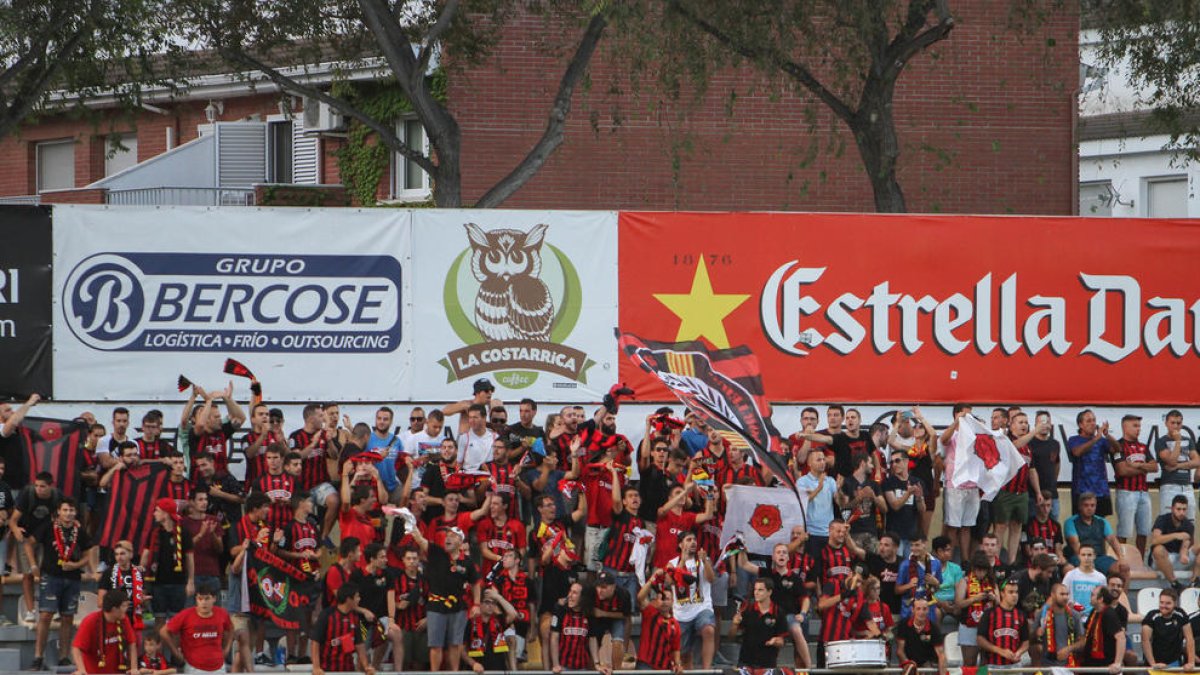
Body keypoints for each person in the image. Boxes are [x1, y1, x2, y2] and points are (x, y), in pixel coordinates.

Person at [30, 497, 95, 671]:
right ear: (58, 512)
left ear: (75, 513)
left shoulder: (79, 531)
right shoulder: (47, 527)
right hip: (50, 577)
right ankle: (38, 657)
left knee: (68, 617)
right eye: (65, 510)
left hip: (73, 578)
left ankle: (64, 657)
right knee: (45, 616)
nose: (68, 514)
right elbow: (29, 544)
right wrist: (33, 565)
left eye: (72, 510)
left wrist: (76, 565)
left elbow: (89, 553)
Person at [410, 521, 479, 671]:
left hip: (458, 607)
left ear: (460, 542)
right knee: (435, 645)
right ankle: (435, 673)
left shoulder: (467, 562)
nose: (448, 538)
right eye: (447, 535)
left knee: (455, 644)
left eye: (453, 536)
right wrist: (411, 524)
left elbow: (475, 583)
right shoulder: (437, 553)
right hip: (436, 606)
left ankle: (454, 673)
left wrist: (477, 604)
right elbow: (420, 540)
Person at [11, 471, 62, 624]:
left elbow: (60, 515)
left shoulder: (56, 496)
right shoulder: (28, 494)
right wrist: (15, 530)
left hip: (46, 535)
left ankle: (54, 607)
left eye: (42, 486)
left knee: (50, 571)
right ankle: (30, 610)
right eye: (37, 486)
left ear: (50, 486)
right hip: (27, 534)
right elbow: (13, 519)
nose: (39, 489)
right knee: (28, 574)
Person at [140, 498, 195, 629]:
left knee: (176, 622)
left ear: (166, 513)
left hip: (178, 583)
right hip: (157, 583)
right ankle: (160, 649)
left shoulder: (184, 533)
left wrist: (191, 581)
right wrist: (140, 581)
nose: (154, 514)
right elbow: (145, 556)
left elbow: (190, 559)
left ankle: (174, 648)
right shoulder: (154, 533)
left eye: (157, 511)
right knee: (159, 619)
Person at [160, 581, 233, 674]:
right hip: (194, 667)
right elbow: (163, 631)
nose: (204, 602)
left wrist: (227, 649)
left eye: (207, 599)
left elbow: (231, 629)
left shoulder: (222, 613)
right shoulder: (186, 615)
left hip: (219, 666)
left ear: (214, 599)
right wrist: (176, 653)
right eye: (200, 599)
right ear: (196, 599)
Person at [667, 531, 716, 668]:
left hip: (702, 607)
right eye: (688, 540)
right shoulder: (672, 563)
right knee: (684, 654)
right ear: (680, 544)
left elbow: (711, 579)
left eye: (694, 539)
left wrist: (705, 561)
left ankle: (706, 670)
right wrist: (682, 560)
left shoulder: (703, 559)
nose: (693, 542)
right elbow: (670, 581)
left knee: (708, 630)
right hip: (682, 613)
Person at [1112, 414, 1157, 554]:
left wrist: (1136, 466)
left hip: (1144, 492)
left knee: (1144, 531)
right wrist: (1144, 467)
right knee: (1124, 531)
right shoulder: (1117, 446)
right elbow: (1122, 471)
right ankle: (1122, 560)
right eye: (1135, 426)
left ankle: (1140, 562)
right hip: (1126, 492)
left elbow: (1155, 467)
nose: (1138, 429)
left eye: (1139, 426)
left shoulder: (1143, 447)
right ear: (1125, 427)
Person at [310, 583, 374, 675]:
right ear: (348, 599)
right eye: (357, 597)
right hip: (327, 670)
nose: (359, 599)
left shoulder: (355, 617)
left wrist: (366, 667)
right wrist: (316, 667)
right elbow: (315, 642)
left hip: (348, 669)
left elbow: (359, 645)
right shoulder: (327, 615)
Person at [71, 589, 137, 675]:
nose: (126, 609)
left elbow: (132, 644)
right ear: (114, 609)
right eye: (124, 606)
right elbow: (77, 648)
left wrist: (134, 668)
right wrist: (81, 670)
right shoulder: (90, 621)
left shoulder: (124, 620)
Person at [1067, 410, 1116, 516]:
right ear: (1080, 424)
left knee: (1101, 525)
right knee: (1081, 524)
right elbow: (1077, 452)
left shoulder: (1102, 441)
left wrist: (1107, 435)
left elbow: (1116, 449)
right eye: (1088, 421)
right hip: (1081, 491)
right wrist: (1095, 439)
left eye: (1094, 420)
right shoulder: (1074, 439)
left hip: (1101, 490)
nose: (1092, 423)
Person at [732, 578, 788, 670]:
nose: (756, 593)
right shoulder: (747, 610)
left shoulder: (778, 612)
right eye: (755, 589)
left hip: (767, 665)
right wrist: (734, 625)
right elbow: (731, 637)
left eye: (760, 590)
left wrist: (776, 641)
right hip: (745, 663)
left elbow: (782, 641)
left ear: (769, 592)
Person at [1064, 492, 1126, 575]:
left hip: (1099, 557)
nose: (1089, 508)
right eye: (1086, 505)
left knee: (1124, 569)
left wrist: (1121, 558)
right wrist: (1089, 562)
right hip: (1078, 557)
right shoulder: (1070, 522)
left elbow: (1113, 540)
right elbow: (1076, 547)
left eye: (1092, 505)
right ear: (1079, 506)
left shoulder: (1102, 522)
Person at [954, 550, 997, 668]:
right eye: (978, 570)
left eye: (984, 570)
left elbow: (1000, 603)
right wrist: (974, 599)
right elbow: (958, 604)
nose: (981, 573)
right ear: (973, 569)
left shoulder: (992, 582)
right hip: (969, 626)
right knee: (969, 662)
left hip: (987, 626)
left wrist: (994, 598)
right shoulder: (964, 581)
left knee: (985, 663)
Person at [636, 571, 683, 673]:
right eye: (661, 599)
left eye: (667, 599)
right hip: (645, 664)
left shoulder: (675, 624)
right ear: (656, 600)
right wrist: (653, 578)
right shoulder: (650, 612)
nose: (664, 602)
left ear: (672, 602)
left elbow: (676, 649)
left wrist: (678, 664)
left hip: (664, 667)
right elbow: (640, 598)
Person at [463, 587, 519, 673]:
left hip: (498, 670)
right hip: (477, 671)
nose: (491, 605)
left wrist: (498, 597)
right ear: (480, 604)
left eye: (493, 603)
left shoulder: (499, 621)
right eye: (487, 602)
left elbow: (513, 614)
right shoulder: (470, 623)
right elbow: (461, 650)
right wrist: (473, 664)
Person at [1151, 493, 1200, 590]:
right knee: (1158, 549)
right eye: (1178, 509)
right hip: (1163, 559)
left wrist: (1184, 554)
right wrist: (1175, 536)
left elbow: (1186, 544)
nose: (1181, 512)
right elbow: (1155, 540)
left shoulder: (1188, 525)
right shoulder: (1162, 519)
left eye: (1184, 509)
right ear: (1172, 508)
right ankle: (1175, 584)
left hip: (1179, 558)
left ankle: (1194, 581)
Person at [1157, 410, 1199, 520]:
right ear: (1166, 423)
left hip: (1187, 486)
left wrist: (1178, 466)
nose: (1176, 426)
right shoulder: (1161, 441)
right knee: (1168, 522)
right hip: (1169, 485)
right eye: (1173, 423)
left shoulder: (1188, 440)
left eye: (1178, 423)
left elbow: (1197, 461)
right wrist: (1178, 442)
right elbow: (1171, 461)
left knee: (1190, 522)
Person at [882, 449, 925, 557]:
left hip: (911, 535)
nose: (894, 464)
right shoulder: (888, 482)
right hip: (895, 535)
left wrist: (919, 498)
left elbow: (922, 510)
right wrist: (908, 493)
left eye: (897, 461)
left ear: (906, 461)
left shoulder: (917, 482)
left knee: (910, 567)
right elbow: (895, 505)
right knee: (898, 567)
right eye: (892, 462)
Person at [97, 541, 147, 634]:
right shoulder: (108, 573)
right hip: (115, 617)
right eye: (116, 554)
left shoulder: (139, 573)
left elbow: (142, 599)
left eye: (122, 554)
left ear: (131, 555)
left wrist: (142, 600)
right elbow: (100, 602)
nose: (119, 557)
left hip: (134, 618)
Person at [977, 581, 1029, 668]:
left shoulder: (1021, 615)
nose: (1014, 595)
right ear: (1002, 594)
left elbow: (1026, 642)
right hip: (992, 665)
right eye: (1010, 592)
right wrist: (1000, 651)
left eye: (1016, 592)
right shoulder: (989, 613)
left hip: (1014, 665)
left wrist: (1018, 653)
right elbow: (980, 639)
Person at [1141, 587, 1195, 668]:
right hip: (1154, 662)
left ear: (1175, 603)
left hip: (1174, 662)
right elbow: (1145, 640)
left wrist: (1191, 662)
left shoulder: (1180, 614)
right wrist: (1153, 664)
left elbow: (1189, 638)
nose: (1164, 606)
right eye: (1161, 602)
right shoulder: (1151, 616)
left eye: (1168, 603)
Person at [1036, 582, 1084, 668]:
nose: (1065, 597)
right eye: (1062, 594)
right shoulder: (1042, 614)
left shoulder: (1075, 615)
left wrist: (1069, 649)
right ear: (1053, 595)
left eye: (1067, 594)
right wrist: (1036, 634)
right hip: (1046, 666)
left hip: (1068, 665)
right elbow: (1030, 640)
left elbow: (1082, 642)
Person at [550, 581, 594, 673]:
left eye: (574, 593)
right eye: (570, 591)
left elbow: (592, 639)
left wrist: (596, 663)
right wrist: (556, 664)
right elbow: (554, 637)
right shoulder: (560, 610)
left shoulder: (589, 614)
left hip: (582, 666)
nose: (569, 595)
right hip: (562, 666)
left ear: (582, 597)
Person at [896, 596, 946, 674]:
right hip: (908, 662)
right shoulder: (903, 625)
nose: (921, 612)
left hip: (927, 663)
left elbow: (941, 654)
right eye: (918, 609)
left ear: (928, 610)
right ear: (913, 610)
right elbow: (900, 651)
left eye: (924, 609)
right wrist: (908, 663)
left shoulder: (934, 628)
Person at [1080, 586, 1125, 673]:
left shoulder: (1109, 614)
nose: (1090, 597)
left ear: (1100, 599)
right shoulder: (1094, 611)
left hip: (1105, 664)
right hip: (1091, 662)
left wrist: (1117, 663)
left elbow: (1121, 638)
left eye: (1092, 595)